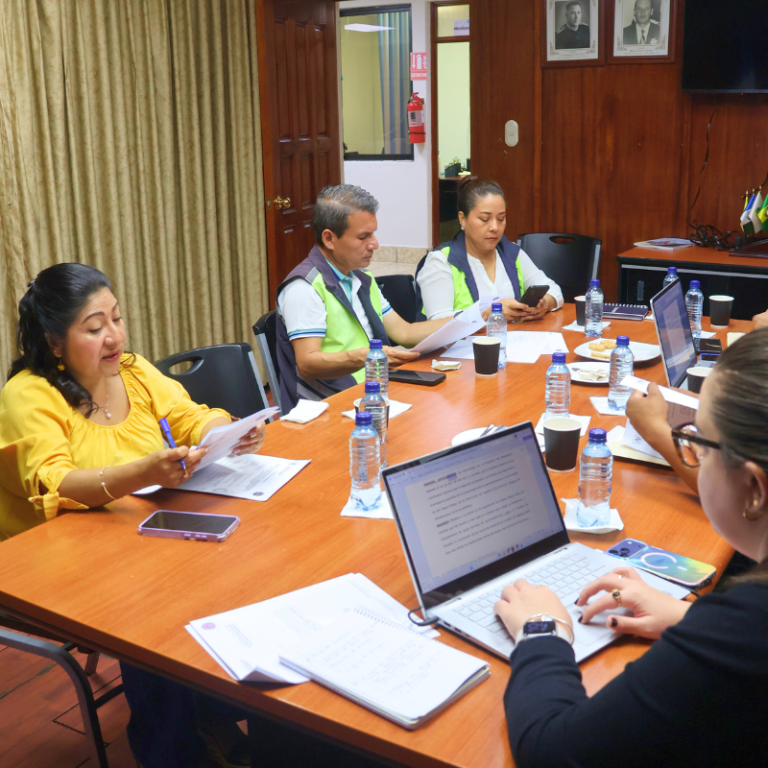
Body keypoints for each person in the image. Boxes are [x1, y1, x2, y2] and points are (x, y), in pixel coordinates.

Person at [0, 263, 266, 768]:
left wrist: (225, 430)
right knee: (153, 604)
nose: (114, 337)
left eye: (117, 319)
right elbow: (53, 483)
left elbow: (188, 415)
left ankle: (214, 713)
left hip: (136, 532)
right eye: (94, 327)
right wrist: (142, 470)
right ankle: (169, 749)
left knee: (241, 561)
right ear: (55, 342)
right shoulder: (28, 394)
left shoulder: (133, 371)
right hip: (54, 558)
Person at [494, 328, 768, 767]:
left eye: (698, 442)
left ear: (754, 488)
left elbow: (553, 752)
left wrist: (542, 630)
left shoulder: (749, 625)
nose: (691, 453)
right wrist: (689, 617)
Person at [276, 184, 453, 410]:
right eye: (363, 237)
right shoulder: (304, 287)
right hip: (330, 406)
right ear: (329, 238)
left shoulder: (362, 278)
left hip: (373, 392)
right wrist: (367, 356)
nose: (374, 244)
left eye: (373, 233)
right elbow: (307, 363)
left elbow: (405, 332)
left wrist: (469, 318)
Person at [416, 177, 564, 322]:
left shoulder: (511, 253)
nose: (495, 227)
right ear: (462, 219)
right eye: (484, 219)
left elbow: (554, 290)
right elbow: (438, 320)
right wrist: (488, 314)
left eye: (501, 219)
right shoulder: (441, 261)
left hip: (512, 336)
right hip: (467, 339)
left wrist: (544, 304)